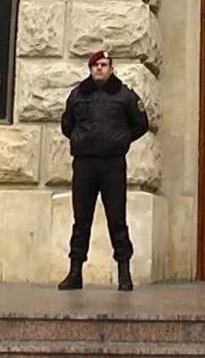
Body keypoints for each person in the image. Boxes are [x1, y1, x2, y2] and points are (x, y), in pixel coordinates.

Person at [57, 49, 150, 291]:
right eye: (96, 65)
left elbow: (141, 124)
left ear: (111, 68)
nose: (99, 68)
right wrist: (80, 138)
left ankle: (124, 273)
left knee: (117, 219)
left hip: (112, 164)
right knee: (81, 220)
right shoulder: (77, 94)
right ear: (90, 68)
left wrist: (122, 140)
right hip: (85, 163)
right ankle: (75, 272)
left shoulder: (124, 96)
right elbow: (67, 124)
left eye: (104, 65)